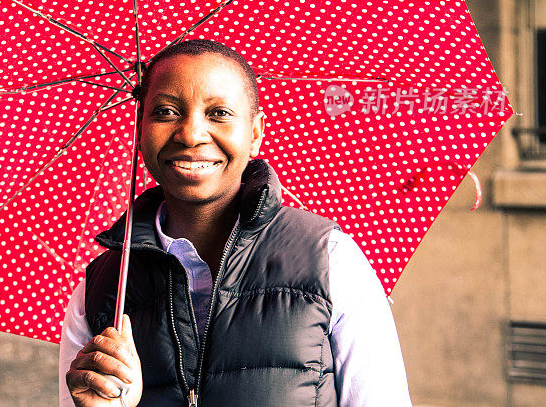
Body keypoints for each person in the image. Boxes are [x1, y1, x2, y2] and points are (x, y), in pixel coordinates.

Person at [59, 39, 411, 406]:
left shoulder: (328, 261)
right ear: (140, 128)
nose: (191, 134)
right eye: (165, 111)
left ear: (256, 132)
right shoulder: (98, 292)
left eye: (219, 113)